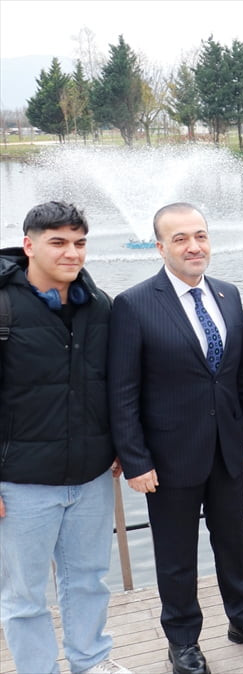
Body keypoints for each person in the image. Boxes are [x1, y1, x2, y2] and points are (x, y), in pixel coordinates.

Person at [108, 203, 243, 674]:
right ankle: (182, 640)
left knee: (234, 545)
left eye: (201, 236)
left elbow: (241, 374)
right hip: (168, 458)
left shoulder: (228, 295)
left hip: (228, 449)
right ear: (160, 246)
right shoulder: (134, 304)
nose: (194, 246)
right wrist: (136, 459)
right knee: (176, 557)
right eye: (181, 238)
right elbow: (122, 392)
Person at [0, 202, 129, 674]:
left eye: (79, 243)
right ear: (30, 245)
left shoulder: (98, 305)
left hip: (90, 476)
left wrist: (117, 446)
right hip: (21, 484)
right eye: (58, 242)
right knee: (24, 595)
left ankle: (91, 662)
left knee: (88, 580)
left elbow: (111, 384)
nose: (71, 253)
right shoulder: (4, 305)